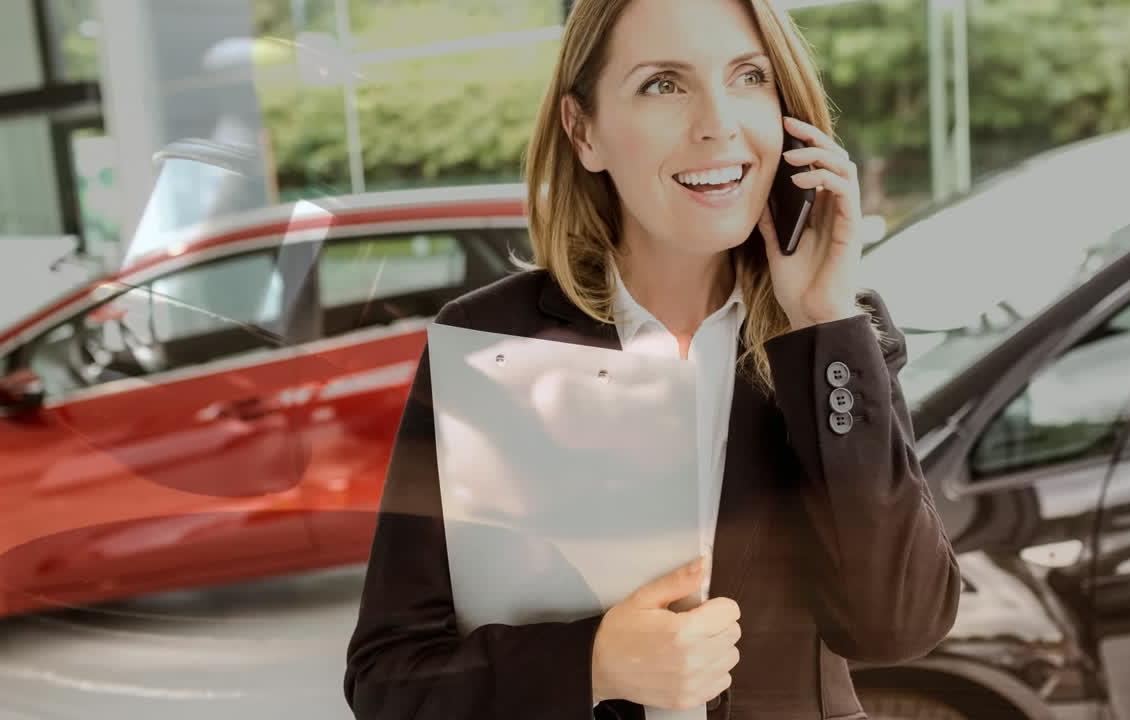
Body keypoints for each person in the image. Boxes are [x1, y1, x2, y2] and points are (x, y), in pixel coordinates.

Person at [344, 0, 962, 717]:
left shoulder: (834, 340)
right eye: (663, 84)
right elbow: (389, 680)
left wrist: (822, 321)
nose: (718, 123)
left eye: (749, 76)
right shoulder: (492, 344)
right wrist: (595, 664)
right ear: (583, 132)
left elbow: (897, 625)